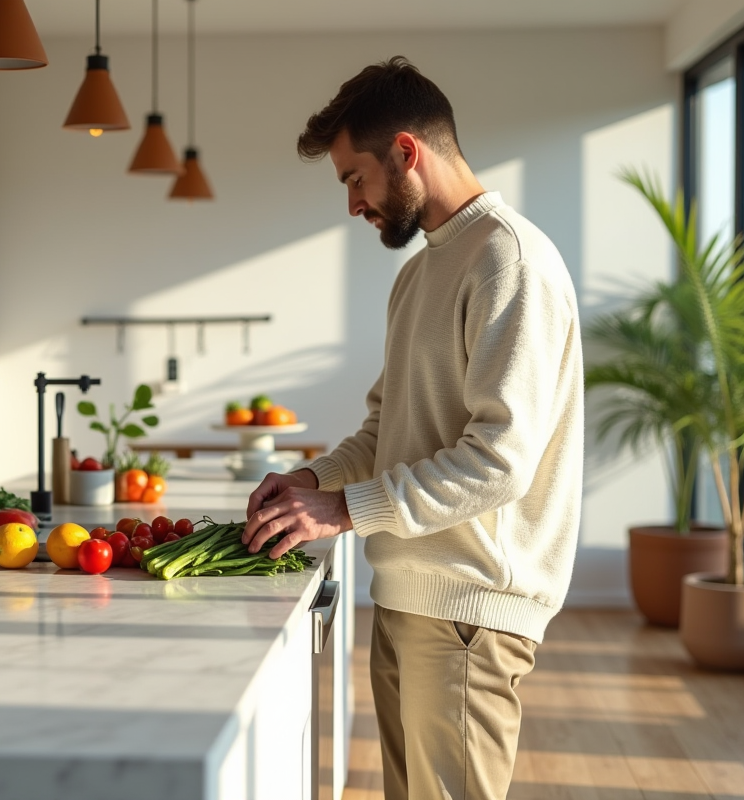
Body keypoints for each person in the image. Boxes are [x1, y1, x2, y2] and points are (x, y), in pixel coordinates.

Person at [242, 56, 583, 800]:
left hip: (468, 614)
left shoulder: (507, 260)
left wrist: (343, 511)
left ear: (405, 152)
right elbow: (385, 428)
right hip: (408, 593)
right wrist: (313, 481)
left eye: (354, 179)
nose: (353, 205)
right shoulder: (420, 273)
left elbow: (500, 460)